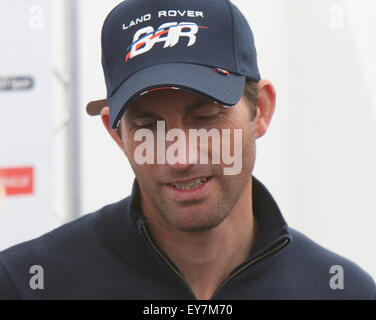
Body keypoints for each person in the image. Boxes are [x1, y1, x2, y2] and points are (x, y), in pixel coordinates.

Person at [0, 0, 375, 300]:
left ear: (260, 111)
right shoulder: (25, 285)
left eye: (205, 118)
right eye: (149, 128)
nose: (181, 158)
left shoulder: (341, 290)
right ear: (118, 134)